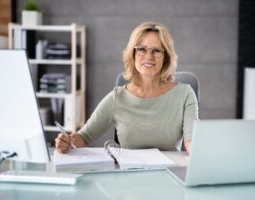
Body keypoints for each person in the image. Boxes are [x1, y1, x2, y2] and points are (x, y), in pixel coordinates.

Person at [55, 21, 199, 154]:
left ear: (166, 57)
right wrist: (67, 142)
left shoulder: (185, 94)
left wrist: (200, 151)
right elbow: (84, 137)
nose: (149, 56)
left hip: (170, 174)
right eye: (142, 49)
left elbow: (191, 140)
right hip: (128, 176)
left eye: (156, 50)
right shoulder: (117, 98)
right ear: (133, 54)